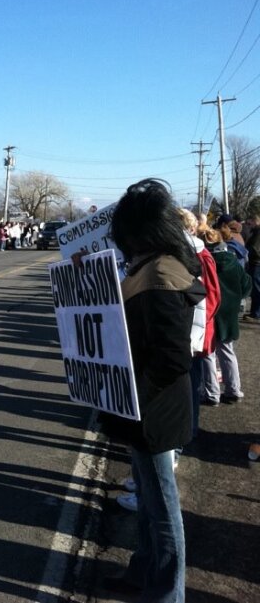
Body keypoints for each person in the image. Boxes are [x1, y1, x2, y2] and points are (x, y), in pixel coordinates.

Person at [101, 179, 205, 603]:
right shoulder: (152, 268)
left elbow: (170, 358)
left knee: (162, 509)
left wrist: (130, 395)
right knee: (148, 502)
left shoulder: (161, 274)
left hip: (154, 409)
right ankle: (143, 572)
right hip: (143, 406)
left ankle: (168, 594)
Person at [201, 227, 251, 403]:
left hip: (210, 310)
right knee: (227, 351)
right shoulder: (233, 261)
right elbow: (246, 285)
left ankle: (211, 393)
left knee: (208, 353)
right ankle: (234, 390)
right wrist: (236, 298)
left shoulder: (204, 263)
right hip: (229, 312)